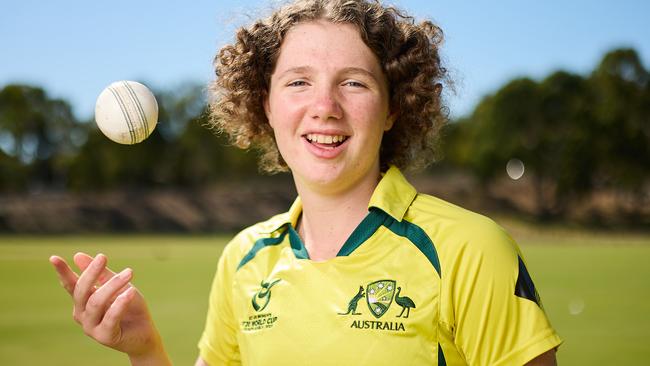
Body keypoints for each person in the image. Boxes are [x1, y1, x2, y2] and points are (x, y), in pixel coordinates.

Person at [49, 0, 562, 365]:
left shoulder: (470, 250)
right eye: (298, 81)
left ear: (392, 108)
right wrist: (147, 351)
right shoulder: (243, 258)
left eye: (354, 82)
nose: (325, 107)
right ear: (265, 105)